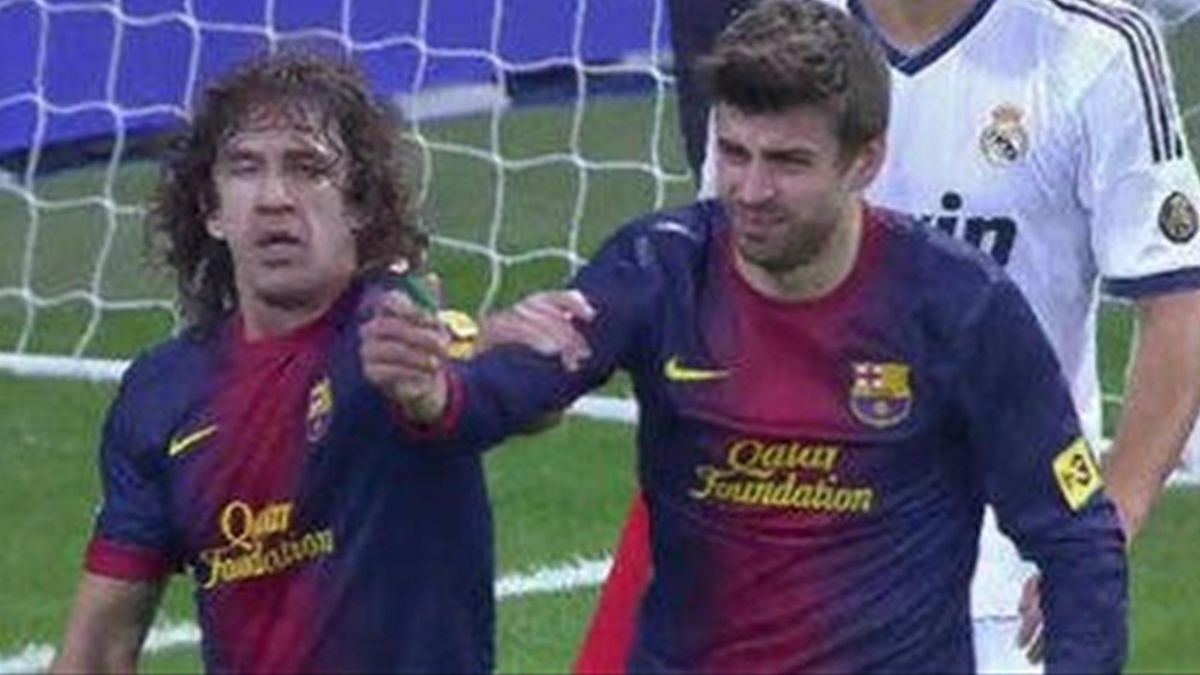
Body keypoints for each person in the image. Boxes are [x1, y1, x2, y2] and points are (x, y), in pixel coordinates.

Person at [373, 1, 1129, 670]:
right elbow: (526, 380)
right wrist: (438, 387)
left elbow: (1079, 541)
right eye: (734, 153)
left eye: (788, 162)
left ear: (865, 160)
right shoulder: (663, 265)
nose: (751, 190)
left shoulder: (960, 306)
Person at [578, 0, 1200, 670]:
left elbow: (1178, 306)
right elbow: (727, 278)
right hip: (795, 549)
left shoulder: (1093, 50)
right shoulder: (787, 39)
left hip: (1005, 567)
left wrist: (1109, 525)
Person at [49, 52, 559, 673]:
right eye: (245, 168)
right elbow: (99, 649)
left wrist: (471, 372)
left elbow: (489, 382)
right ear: (212, 208)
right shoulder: (161, 393)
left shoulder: (390, 332)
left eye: (307, 168)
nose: (273, 199)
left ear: (359, 204)